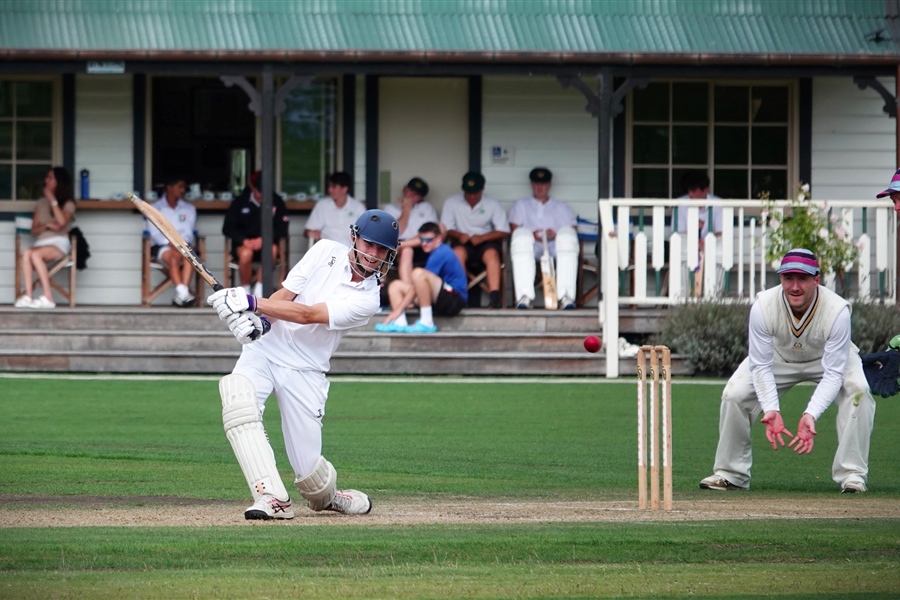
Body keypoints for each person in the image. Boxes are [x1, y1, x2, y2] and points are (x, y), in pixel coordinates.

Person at [207, 209, 400, 520]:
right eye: (369, 244)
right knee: (238, 399)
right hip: (266, 351)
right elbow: (287, 294)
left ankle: (332, 497)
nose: (373, 255)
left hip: (305, 369)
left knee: (313, 482)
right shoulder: (324, 250)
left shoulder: (368, 299)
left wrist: (252, 302)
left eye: (381, 250)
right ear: (353, 237)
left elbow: (308, 314)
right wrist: (262, 323)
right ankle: (271, 497)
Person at [699, 249, 876, 494]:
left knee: (859, 392)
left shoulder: (837, 311)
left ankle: (852, 474)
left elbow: (834, 373)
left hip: (828, 358)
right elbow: (760, 365)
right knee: (734, 394)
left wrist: (811, 413)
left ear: (817, 279)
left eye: (802, 279)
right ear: (780, 279)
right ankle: (731, 473)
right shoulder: (763, 306)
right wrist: (771, 409)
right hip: (779, 356)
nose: (794, 287)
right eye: (788, 278)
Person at [375, 221, 467, 333]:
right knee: (395, 286)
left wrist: (398, 309)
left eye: (428, 240)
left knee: (418, 273)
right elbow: (418, 286)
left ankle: (427, 322)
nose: (424, 243)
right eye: (422, 240)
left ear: (439, 239)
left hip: (455, 300)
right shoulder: (435, 251)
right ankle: (399, 322)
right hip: (441, 297)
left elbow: (419, 282)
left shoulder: (442, 252)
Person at [508, 167, 579, 310]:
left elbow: (572, 229)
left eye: (543, 183)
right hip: (531, 246)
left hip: (554, 246)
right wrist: (531, 234)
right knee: (521, 237)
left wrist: (556, 234)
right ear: (532, 184)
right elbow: (514, 227)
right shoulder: (521, 204)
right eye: (536, 183)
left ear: (549, 185)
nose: (540, 187)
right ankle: (524, 297)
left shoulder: (560, 206)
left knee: (567, 237)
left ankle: (566, 297)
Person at [440, 171, 510, 308]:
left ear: (482, 189)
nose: (472, 196)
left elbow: (504, 230)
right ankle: (457, 295)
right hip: (462, 241)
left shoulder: (492, 203)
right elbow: (445, 229)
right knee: (457, 254)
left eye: (475, 193)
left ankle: (495, 298)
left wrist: (483, 237)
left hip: (486, 242)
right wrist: (459, 235)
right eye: (468, 193)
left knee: (492, 255)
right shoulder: (452, 202)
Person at [14, 166, 76, 309]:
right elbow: (34, 230)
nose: (46, 180)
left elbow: (61, 222)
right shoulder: (41, 203)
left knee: (34, 254)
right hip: (42, 242)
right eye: (46, 177)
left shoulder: (69, 204)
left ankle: (48, 297)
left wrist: (52, 199)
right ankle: (29, 296)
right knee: (27, 253)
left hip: (59, 242)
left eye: (50, 178)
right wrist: (47, 225)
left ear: (59, 182)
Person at [222, 170, 290, 296]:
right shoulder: (240, 202)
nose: (262, 195)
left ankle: (260, 289)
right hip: (244, 245)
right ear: (252, 186)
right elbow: (228, 228)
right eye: (259, 191)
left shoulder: (277, 202)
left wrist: (264, 240)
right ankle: (246, 292)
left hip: (267, 244)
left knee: (272, 249)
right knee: (246, 254)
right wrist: (244, 241)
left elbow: (283, 228)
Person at [146, 177, 198, 307]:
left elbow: (188, 231)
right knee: (174, 257)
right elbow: (154, 232)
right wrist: (169, 242)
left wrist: (180, 243)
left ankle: (182, 295)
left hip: (183, 245)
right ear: (169, 187)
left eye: (184, 187)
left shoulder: (189, 208)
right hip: (162, 246)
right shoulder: (154, 208)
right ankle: (184, 293)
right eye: (179, 187)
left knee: (190, 257)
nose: (183, 190)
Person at [383, 177, 438, 283]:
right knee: (407, 251)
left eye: (416, 194)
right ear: (405, 189)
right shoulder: (390, 208)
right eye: (410, 191)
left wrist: (404, 244)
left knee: (437, 229)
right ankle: (407, 290)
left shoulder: (426, 208)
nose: (411, 195)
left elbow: (432, 232)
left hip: (421, 245)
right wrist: (406, 209)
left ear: (421, 198)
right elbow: (397, 231)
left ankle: (403, 245)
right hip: (395, 248)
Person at [304, 171, 367, 246]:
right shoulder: (322, 205)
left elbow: (366, 233)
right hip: (327, 252)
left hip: (351, 252)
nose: (330, 190)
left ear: (344, 189)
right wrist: (310, 232)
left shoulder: (358, 207)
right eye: (329, 186)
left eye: (334, 187)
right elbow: (307, 231)